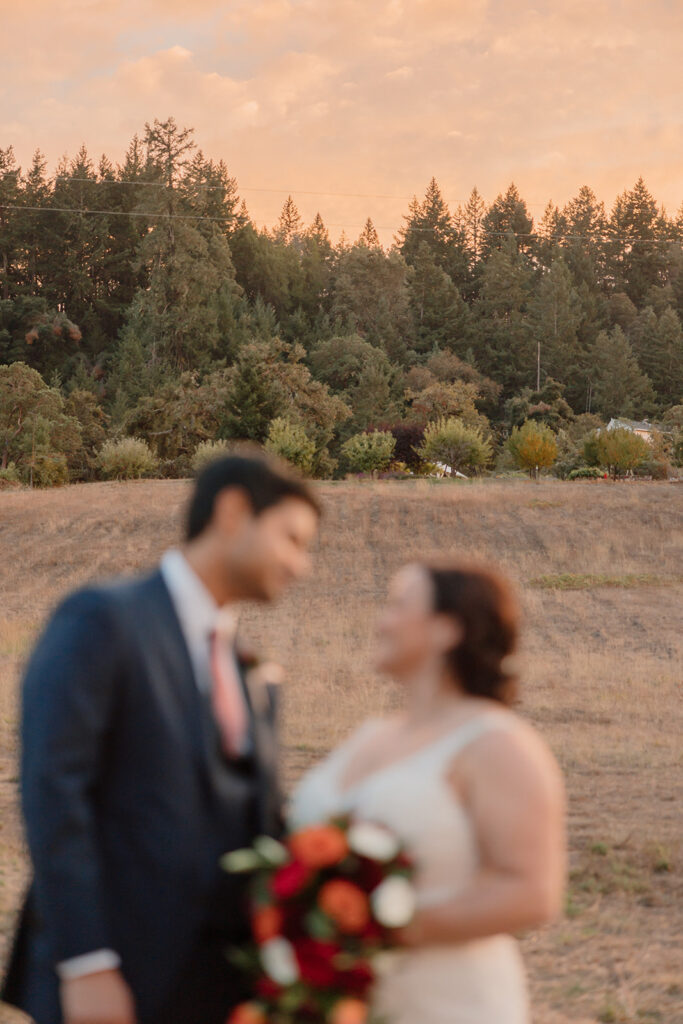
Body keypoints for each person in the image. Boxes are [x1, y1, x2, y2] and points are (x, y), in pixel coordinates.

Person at [1, 454, 320, 1024]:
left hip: (217, 986)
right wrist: (87, 965)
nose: (302, 565)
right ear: (232, 512)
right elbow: (55, 793)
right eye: (291, 539)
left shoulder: (245, 666)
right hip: (114, 982)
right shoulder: (104, 619)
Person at [289, 561, 565, 1024]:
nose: (381, 621)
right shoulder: (370, 736)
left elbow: (532, 892)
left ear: (447, 629)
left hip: (446, 1004)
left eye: (397, 605)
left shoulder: (497, 744)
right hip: (336, 1002)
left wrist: (379, 929)